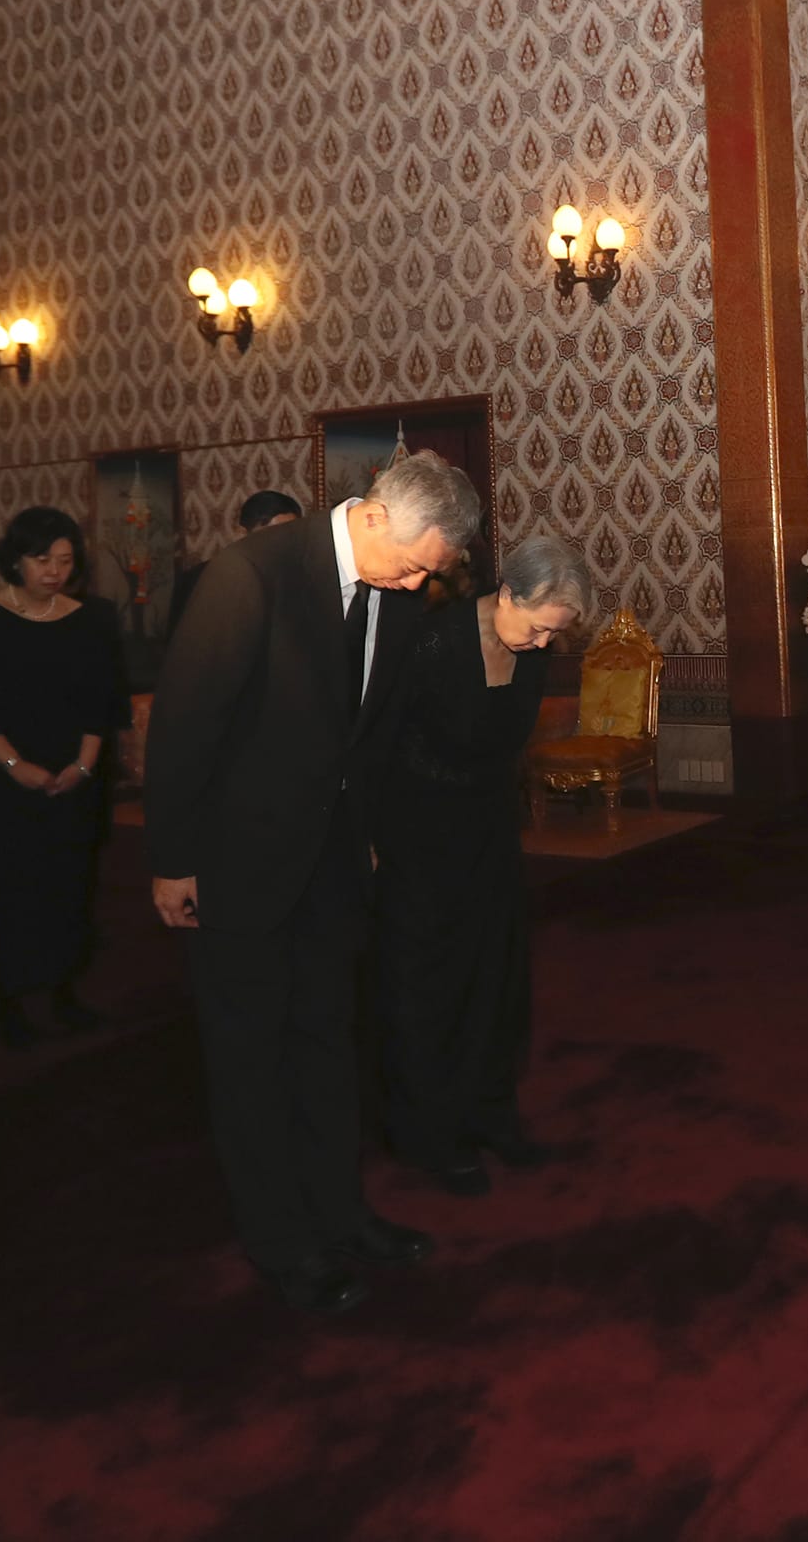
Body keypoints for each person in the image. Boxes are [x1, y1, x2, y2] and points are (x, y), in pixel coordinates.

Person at [146, 455, 479, 1314]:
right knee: (251, 1057)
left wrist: (363, 839)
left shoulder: (396, 595)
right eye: (411, 564)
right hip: (237, 864)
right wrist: (172, 859)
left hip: (331, 865)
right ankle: (281, 1241)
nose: (414, 583)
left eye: (429, 574)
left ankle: (342, 1214)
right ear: (371, 516)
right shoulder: (250, 574)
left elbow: (365, 738)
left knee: (328, 1044)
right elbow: (187, 723)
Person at [376, 535, 589, 1195]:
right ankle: (437, 1136)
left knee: (496, 977)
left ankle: (493, 1115)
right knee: (430, 988)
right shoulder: (432, 642)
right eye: (538, 627)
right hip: (417, 834)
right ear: (507, 594)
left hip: (488, 832)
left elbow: (502, 748)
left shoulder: (530, 647)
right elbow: (379, 739)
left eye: (556, 634)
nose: (544, 645)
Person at [0, 507, 125, 1049]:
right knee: (15, 887)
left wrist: (84, 764)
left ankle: (65, 991)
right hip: (7, 777)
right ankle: (13, 1000)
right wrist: (13, 766)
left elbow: (105, 700)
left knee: (72, 885)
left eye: (65, 560)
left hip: (77, 772)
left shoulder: (93, 616)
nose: (53, 570)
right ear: (16, 559)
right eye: (41, 558)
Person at [169, 490, 302, 634]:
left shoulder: (299, 581)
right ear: (242, 534)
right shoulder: (200, 580)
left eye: (290, 536)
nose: (281, 544)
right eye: (271, 536)